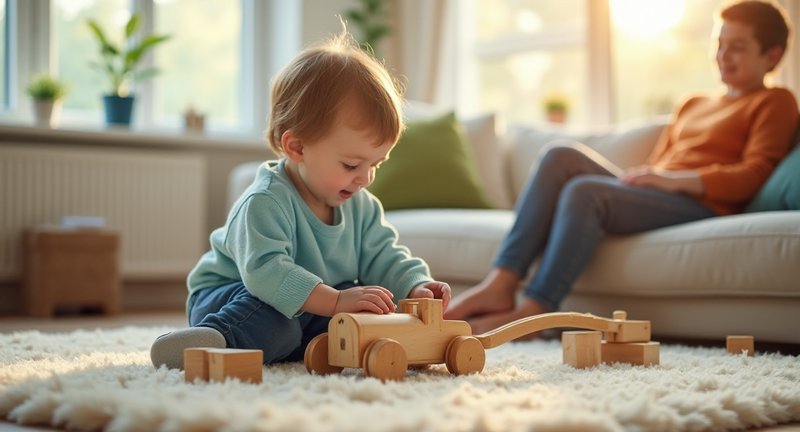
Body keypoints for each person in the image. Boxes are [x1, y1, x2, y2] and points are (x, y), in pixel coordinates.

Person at [444, 0, 799, 334]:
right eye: (718, 44)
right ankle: (500, 283)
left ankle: (535, 311)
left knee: (585, 192)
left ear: (772, 55)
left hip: (704, 204)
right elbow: (662, 163)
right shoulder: (694, 103)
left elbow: (755, 174)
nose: (723, 56)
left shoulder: (776, 101)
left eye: (736, 47)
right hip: (663, 193)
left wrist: (671, 181)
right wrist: (652, 179)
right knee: (560, 155)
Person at [150, 28, 451, 369]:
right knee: (278, 321)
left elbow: (385, 257)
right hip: (234, 298)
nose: (365, 177)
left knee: (363, 306)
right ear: (297, 147)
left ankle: (320, 345)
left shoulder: (362, 207)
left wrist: (415, 285)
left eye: (376, 164)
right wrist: (336, 300)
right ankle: (211, 341)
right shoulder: (266, 200)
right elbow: (267, 273)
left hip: (309, 304)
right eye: (352, 164)